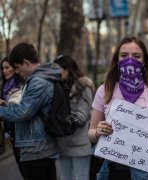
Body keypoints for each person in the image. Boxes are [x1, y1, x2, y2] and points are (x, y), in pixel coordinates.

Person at [88, 35, 148, 180]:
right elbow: (90, 134)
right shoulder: (104, 91)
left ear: (144, 61)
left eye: (136, 56)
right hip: (115, 171)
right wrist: (97, 132)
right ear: (116, 60)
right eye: (124, 56)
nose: (130, 60)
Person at [0, 42, 60, 180]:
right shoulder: (40, 78)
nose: (17, 71)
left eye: (17, 67)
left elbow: (23, 112)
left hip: (36, 148)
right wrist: (6, 107)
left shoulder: (38, 81)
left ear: (26, 62)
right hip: (38, 146)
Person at [54, 55, 95, 180]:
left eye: (57, 69)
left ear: (67, 69)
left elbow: (82, 117)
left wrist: (60, 117)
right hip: (62, 144)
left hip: (79, 145)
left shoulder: (83, 86)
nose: (55, 72)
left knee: (80, 177)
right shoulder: (59, 85)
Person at [0, 57, 25, 177]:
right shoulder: (3, 86)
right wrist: (6, 132)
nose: (4, 71)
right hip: (10, 132)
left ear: (14, 69)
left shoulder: (21, 85)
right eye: (3, 68)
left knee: (27, 166)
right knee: (20, 165)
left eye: (7, 67)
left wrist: (4, 104)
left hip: (22, 131)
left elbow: (20, 110)